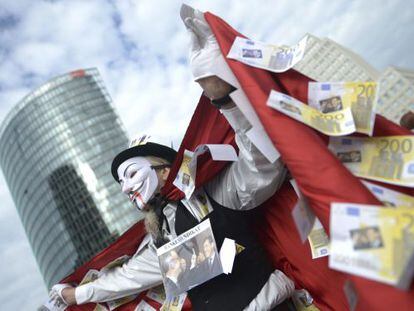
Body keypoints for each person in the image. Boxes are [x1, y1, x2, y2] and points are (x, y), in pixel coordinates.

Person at [51, 5, 295, 311]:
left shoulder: (215, 194)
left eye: (132, 174)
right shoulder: (160, 236)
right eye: (121, 182)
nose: (125, 188)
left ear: (167, 170)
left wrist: (224, 97)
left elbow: (262, 166)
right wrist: (76, 295)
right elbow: (131, 277)